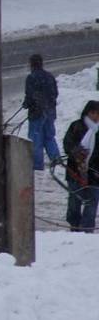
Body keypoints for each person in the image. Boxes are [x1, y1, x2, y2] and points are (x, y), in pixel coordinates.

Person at [61, 100, 99, 232]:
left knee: (92, 202)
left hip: (95, 173)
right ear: (87, 112)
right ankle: (74, 226)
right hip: (75, 171)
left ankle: (87, 229)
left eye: (98, 113)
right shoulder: (76, 126)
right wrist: (77, 154)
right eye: (93, 112)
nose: (95, 116)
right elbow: (67, 143)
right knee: (74, 202)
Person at [22, 54, 59, 170]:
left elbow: (30, 96)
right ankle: (56, 159)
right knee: (49, 136)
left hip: (37, 113)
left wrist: (26, 104)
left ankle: (37, 164)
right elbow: (55, 93)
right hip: (50, 111)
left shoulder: (31, 78)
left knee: (36, 138)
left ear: (31, 64)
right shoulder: (49, 76)